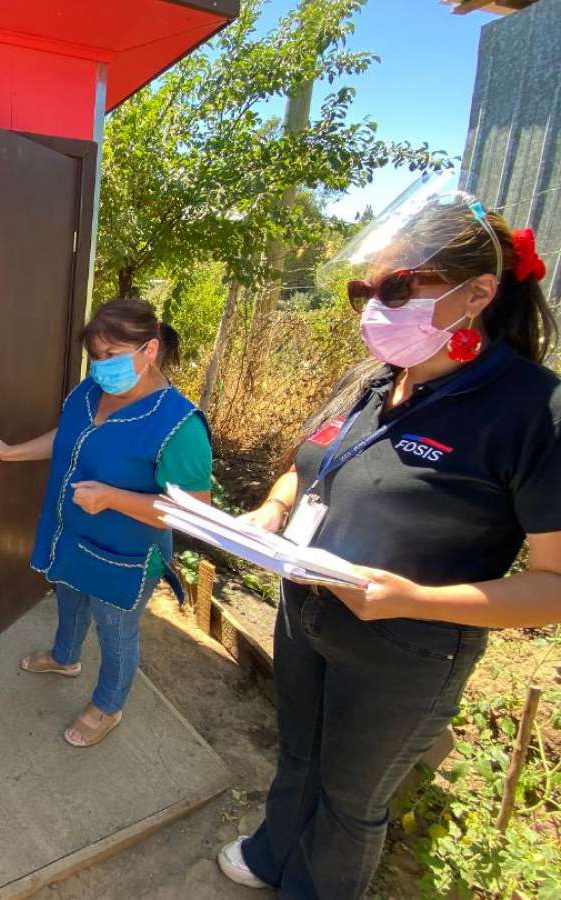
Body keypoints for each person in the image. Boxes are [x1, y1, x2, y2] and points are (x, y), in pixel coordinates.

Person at [215, 178, 561, 899]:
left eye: (398, 287)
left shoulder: (532, 409)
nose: (376, 307)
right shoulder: (372, 379)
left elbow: (553, 588)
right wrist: (271, 513)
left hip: (406, 647)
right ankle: (277, 852)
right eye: (366, 291)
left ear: (477, 294)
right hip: (306, 612)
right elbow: (304, 468)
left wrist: (415, 599)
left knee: (351, 798)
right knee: (299, 757)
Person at [0, 300, 212, 747]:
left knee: (115, 629)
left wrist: (114, 498)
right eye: (95, 356)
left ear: (151, 349)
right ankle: (65, 657)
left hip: (125, 553)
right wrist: (11, 451)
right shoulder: (89, 390)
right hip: (73, 532)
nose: (102, 367)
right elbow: (66, 437)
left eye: (113, 355)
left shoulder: (178, 424)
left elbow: (195, 512)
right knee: (68, 596)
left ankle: (108, 705)